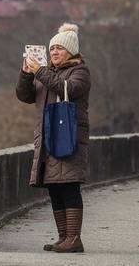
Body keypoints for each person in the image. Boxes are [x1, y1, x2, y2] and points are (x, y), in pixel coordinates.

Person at [17, 23, 91, 253]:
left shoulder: (80, 71)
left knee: (69, 186)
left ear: (71, 51)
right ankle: (63, 238)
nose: (54, 52)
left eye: (59, 48)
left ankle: (74, 238)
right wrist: (26, 74)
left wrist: (40, 71)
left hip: (69, 138)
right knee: (54, 187)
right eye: (52, 49)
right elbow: (25, 95)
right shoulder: (46, 72)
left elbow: (68, 88)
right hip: (48, 139)